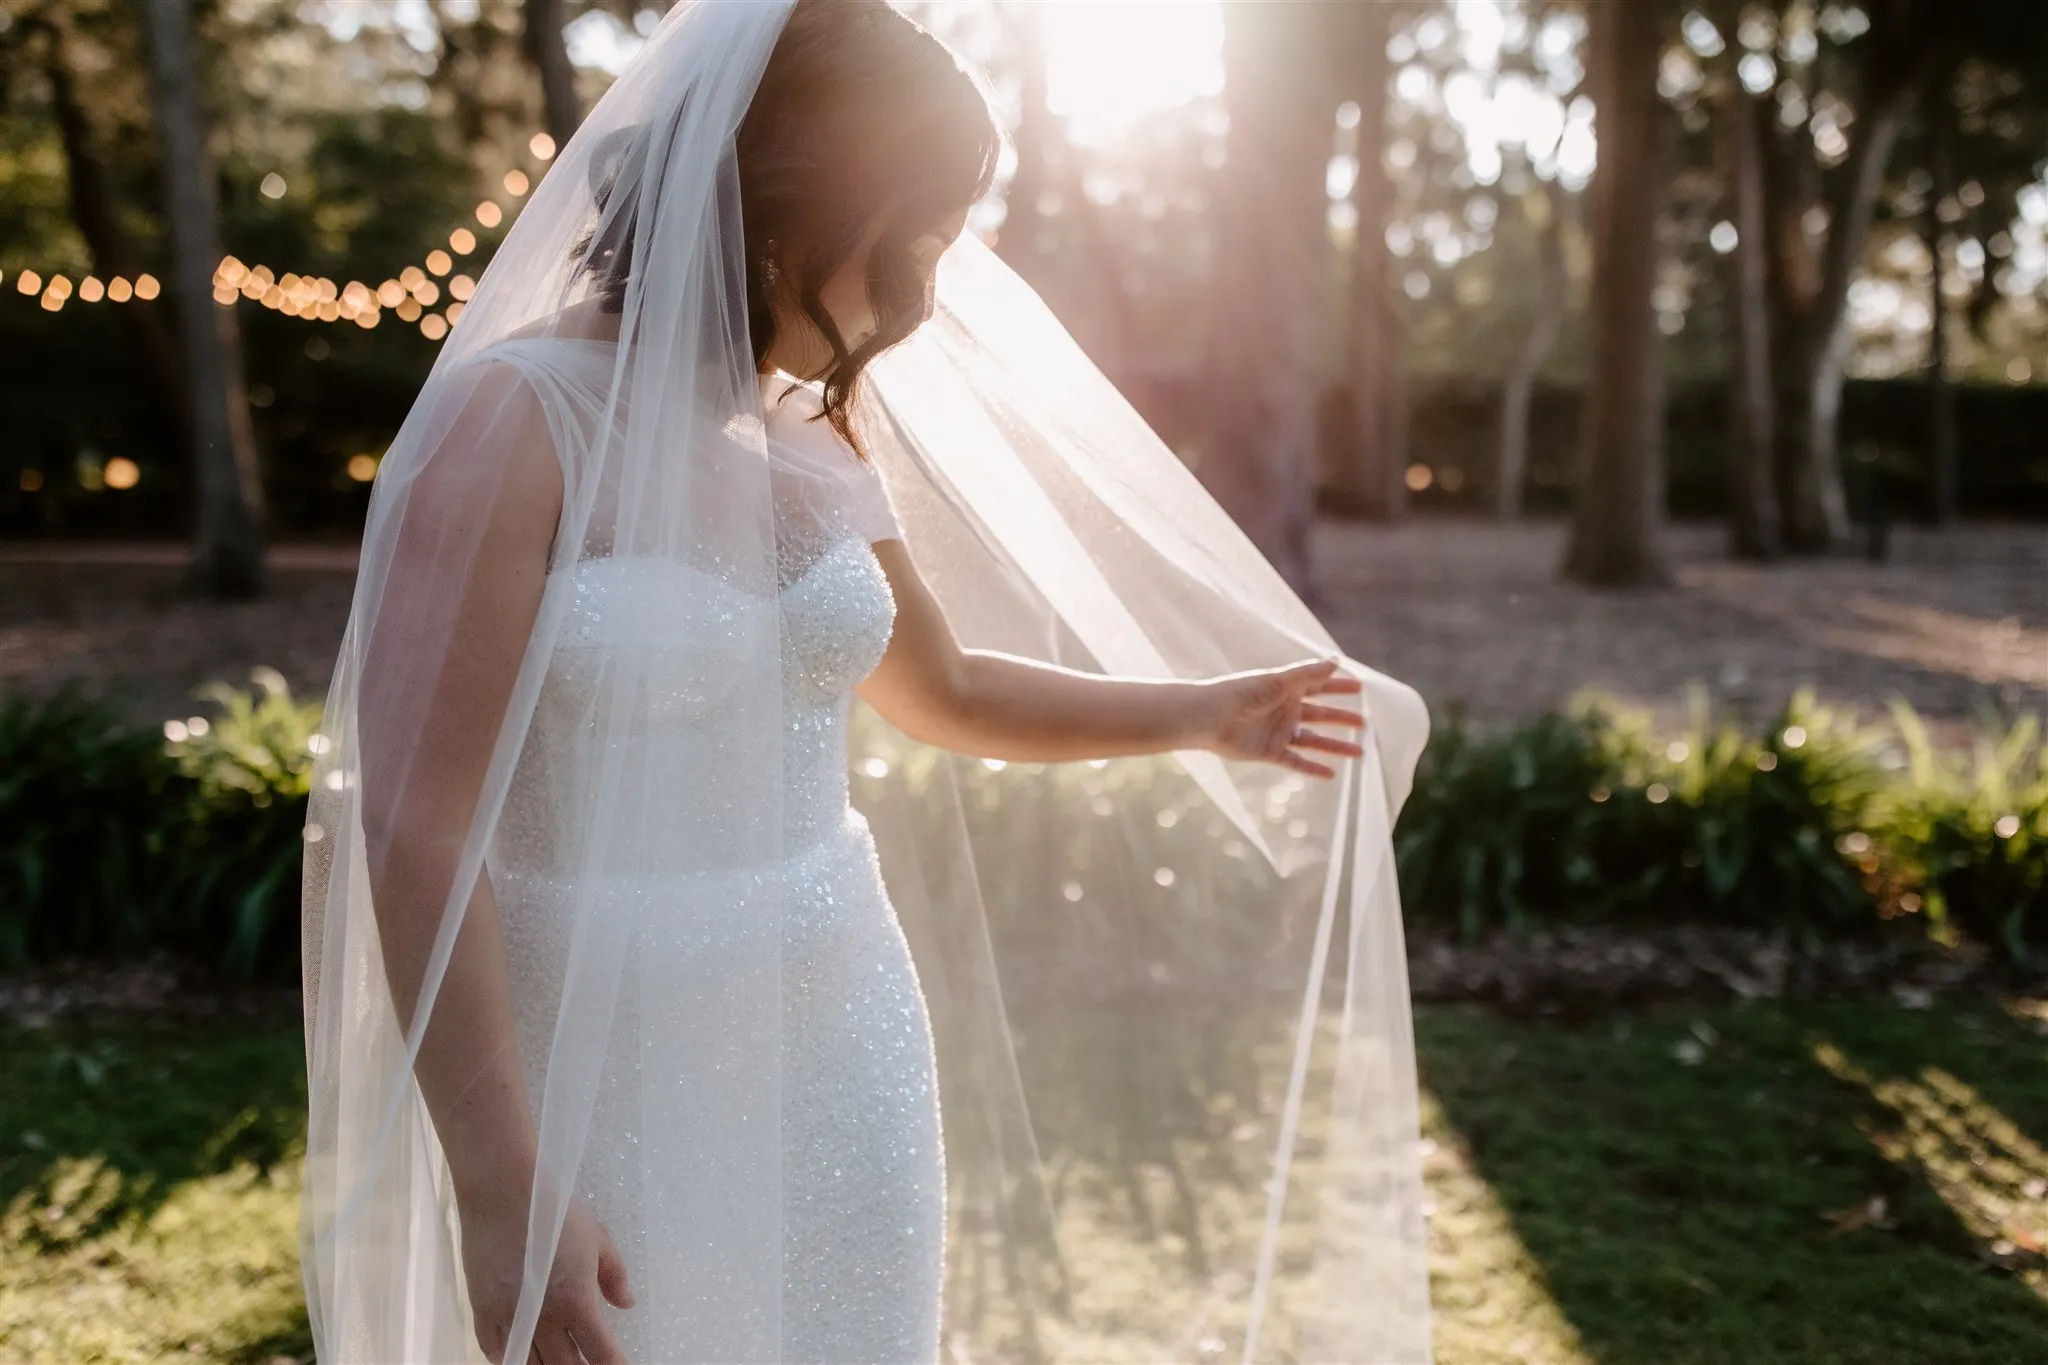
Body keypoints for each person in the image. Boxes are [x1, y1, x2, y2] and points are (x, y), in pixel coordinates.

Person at [300, 4, 1433, 1363]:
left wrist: (1199, 711)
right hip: (598, 1039)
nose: (927, 294)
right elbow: (417, 825)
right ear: (795, 207)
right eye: (916, 242)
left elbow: (941, 687)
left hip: (838, 1016)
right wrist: (499, 1178)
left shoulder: (817, 440)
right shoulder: (517, 423)